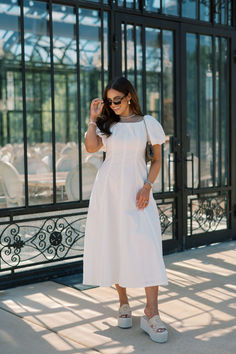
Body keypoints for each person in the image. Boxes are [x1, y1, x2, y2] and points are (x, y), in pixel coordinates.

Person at [83, 77, 168, 343]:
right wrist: (93, 118)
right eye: (109, 101)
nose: (113, 105)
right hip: (108, 191)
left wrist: (147, 186)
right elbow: (91, 147)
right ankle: (123, 303)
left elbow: (156, 160)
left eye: (117, 100)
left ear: (129, 96)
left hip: (137, 191)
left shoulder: (148, 123)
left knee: (148, 246)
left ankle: (151, 313)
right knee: (115, 243)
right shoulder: (108, 124)